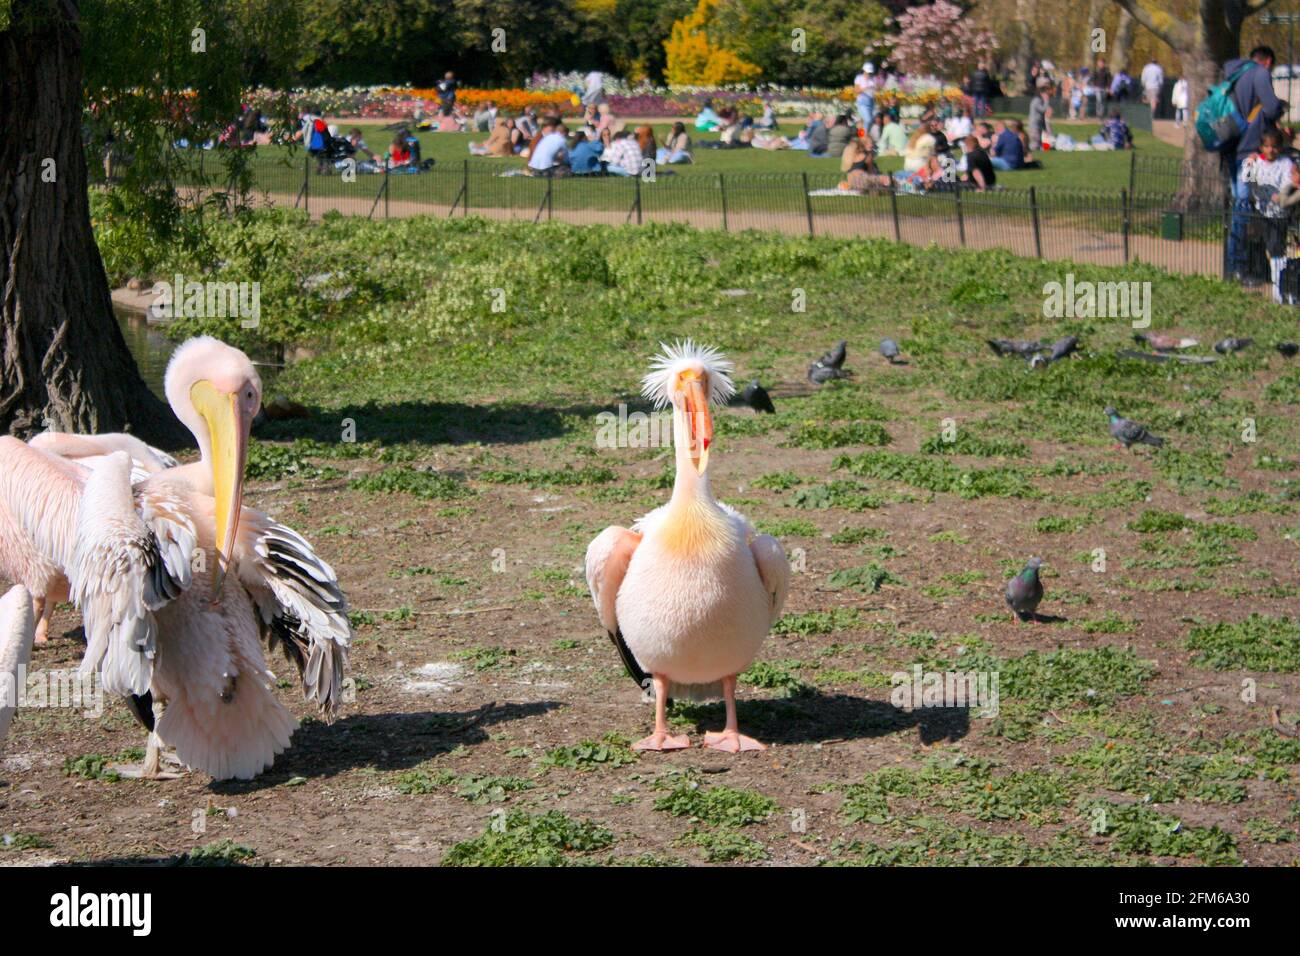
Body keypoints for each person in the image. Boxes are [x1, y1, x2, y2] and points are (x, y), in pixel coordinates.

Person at [1224, 45, 1285, 284]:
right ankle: (1236, 267)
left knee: (1240, 205)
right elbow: (1270, 107)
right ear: (1268, 61)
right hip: (1248, 154)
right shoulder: (1260, 73)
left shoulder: (1234, 73)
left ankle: (1237, 263)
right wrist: (1279, 109)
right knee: (1242, 206)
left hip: (1230, 149)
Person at [1240, 128, 1295, 301]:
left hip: (1278, 214)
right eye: (1267, 146)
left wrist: (1281, 195)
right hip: (1260, 212)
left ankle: (1278, 289)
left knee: (1276, 249)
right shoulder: (1257, 163)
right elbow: (1246, 179)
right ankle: (1259, 276)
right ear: (1261, 147)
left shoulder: (1285, 163)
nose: (1271, 150)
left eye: (1275, 147)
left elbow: (1288, 183)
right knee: (1257, 245)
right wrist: (1249, 162)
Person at [1027, 85, 1053, 151]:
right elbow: (1043, 109)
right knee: (1034, 145)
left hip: (1039, 125)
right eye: (1047, 94)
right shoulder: (1036, 100)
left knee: (1042, 143)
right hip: (1034, 126)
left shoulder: (1040, 100)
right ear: (1042, 93)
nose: (1048, 96)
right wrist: (1046, 100)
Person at [854, 62, 876, 130]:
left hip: (871, 102)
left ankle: (862, 136)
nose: (869, 74)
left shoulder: (872, 79)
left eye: (870, 73)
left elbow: (875, 90)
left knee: (870, 121)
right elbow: (856, 90)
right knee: (867, 120)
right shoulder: (859, 78)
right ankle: (863, 136)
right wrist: (865, 88)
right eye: (867, 72)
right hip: (862, 102)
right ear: (864, 71)